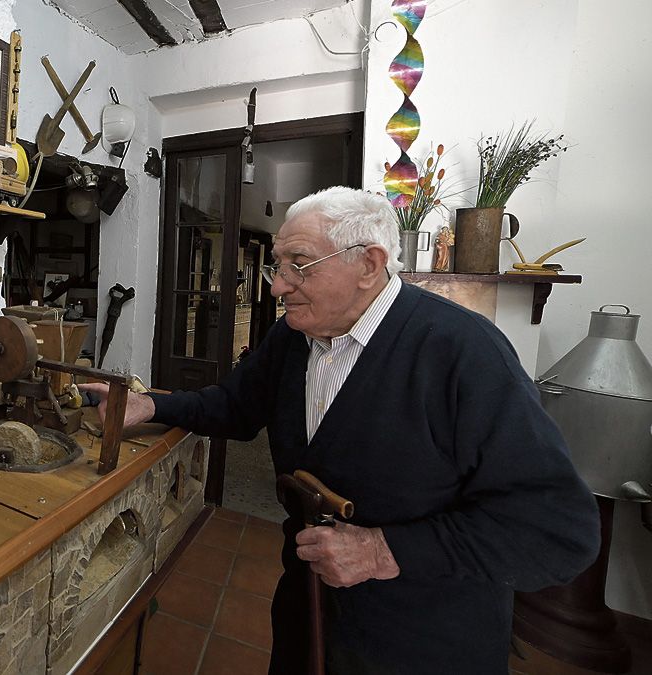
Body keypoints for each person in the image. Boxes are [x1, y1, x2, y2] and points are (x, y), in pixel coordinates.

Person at [80, 187, 599, 674]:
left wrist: (385, 550)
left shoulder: (462, 353)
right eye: (277, 267)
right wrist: (150, 406)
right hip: (308, 617)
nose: (279, 285)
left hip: (420, 641)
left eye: (299, 265)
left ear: (368, 265)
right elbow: (235, 407)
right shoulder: (293, 337)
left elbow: (557, 530)